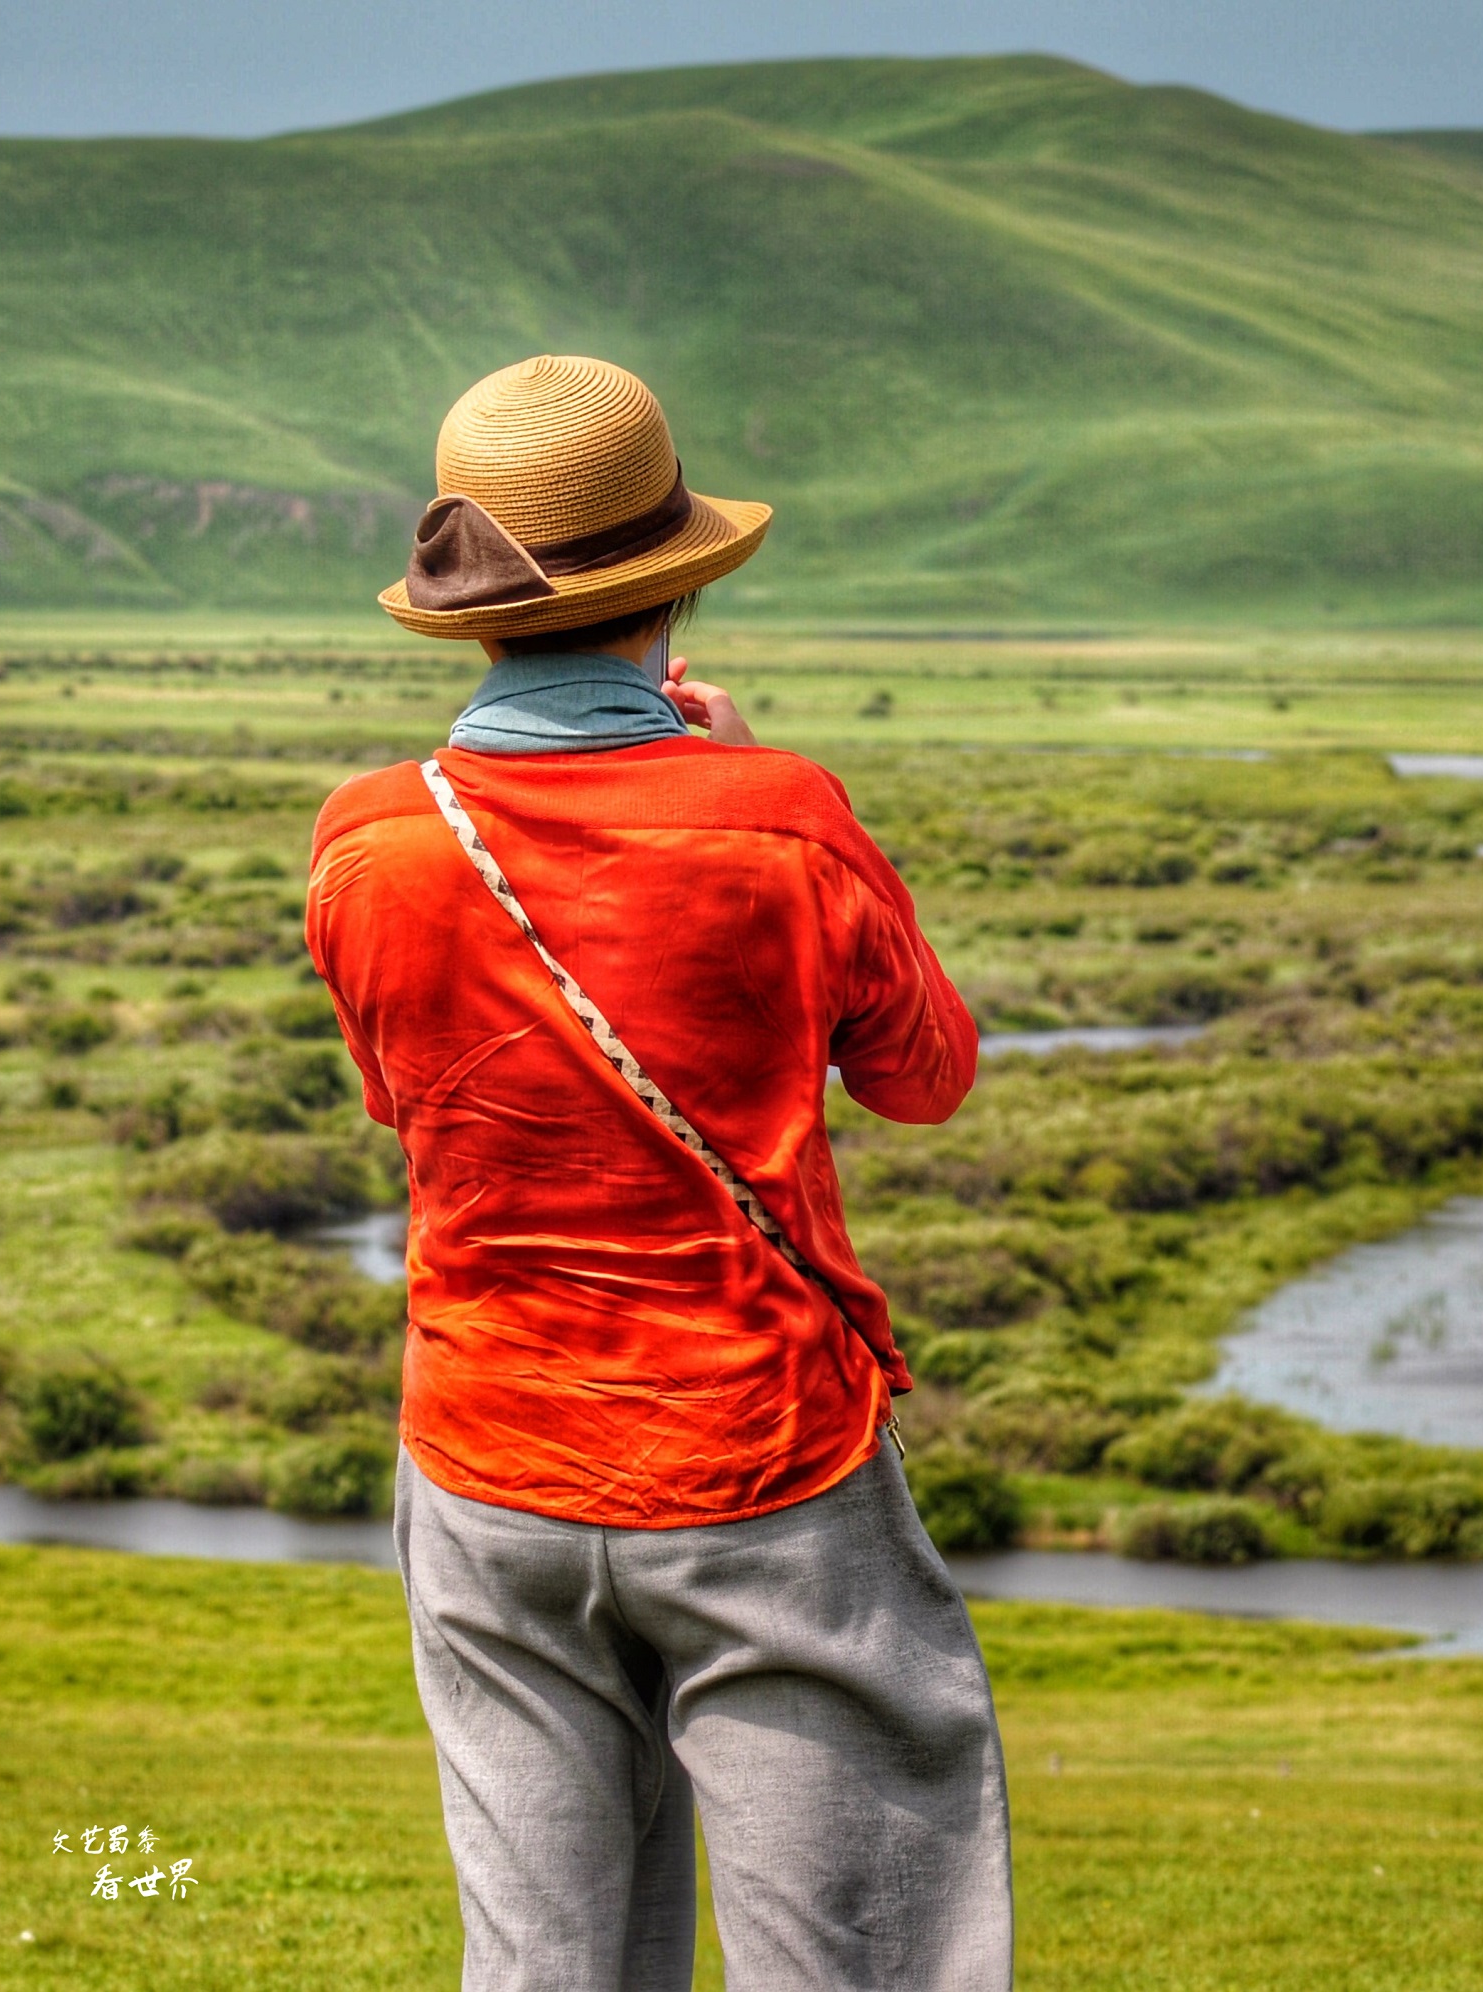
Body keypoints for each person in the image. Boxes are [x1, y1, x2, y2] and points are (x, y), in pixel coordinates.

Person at [304, 355, 1009, 1991]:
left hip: (485, 1459)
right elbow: (926, 1077)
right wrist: (760, 782)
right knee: (855, 1954)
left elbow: (406, 1111)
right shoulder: (782, 820)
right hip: (757, 1459)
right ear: (668, 599)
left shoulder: (366, 841)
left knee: (545, 1968)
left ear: (471, 619)